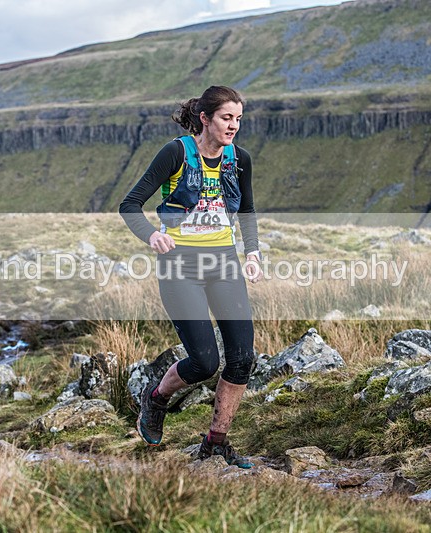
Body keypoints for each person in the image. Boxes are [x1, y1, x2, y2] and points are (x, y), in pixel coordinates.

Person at [120, 85, 263, 468]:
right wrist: (151, 234)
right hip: (180, 266)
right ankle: (156, 398)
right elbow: (130, 204)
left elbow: (246, 210)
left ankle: (216, 442)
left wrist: (252, 253)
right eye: (226, 118)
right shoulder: (176, 153)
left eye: (238, 119)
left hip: (224, 265)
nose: (233, 126)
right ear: (205, 118)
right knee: (203, 363)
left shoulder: (239, 159)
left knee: (242, 358)